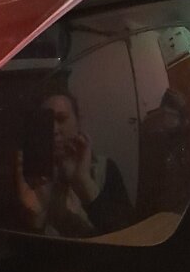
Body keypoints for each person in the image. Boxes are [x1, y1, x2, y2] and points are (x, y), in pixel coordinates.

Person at [16, 90, 133, 238]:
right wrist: (36, 217)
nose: (54, 130)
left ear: (78, 122)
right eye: (46, 123)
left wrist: (84, 182)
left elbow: (129, 236)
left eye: (61, 119)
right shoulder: (32, 177)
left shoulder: (105, 168)